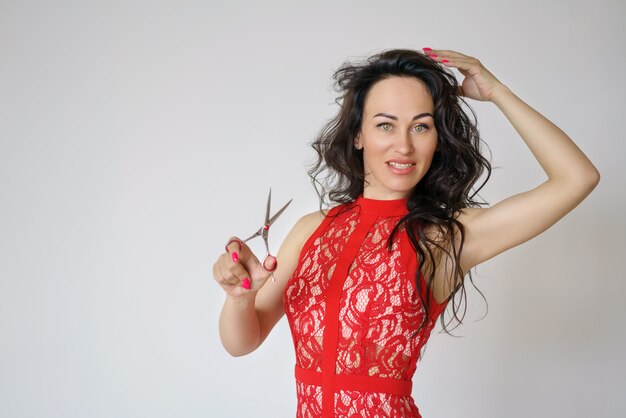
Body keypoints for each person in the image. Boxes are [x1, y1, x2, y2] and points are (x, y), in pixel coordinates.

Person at [212, 48, 600, 417]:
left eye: (421, 126)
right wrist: (240, 297)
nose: (404, 145)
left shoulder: (447, 236)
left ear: (437, 140)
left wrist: (497, 92)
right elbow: (242, 342)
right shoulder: (311, 229)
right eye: (385, 125)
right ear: (358, 135)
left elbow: (577, 178)